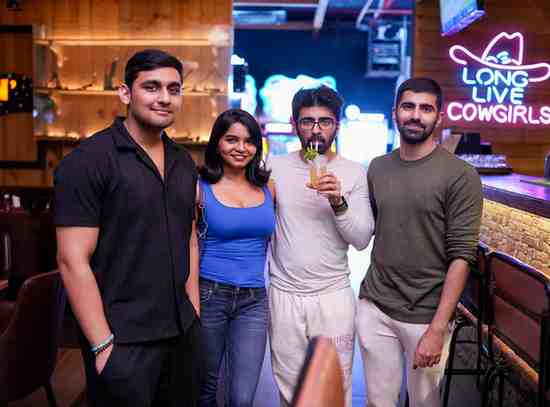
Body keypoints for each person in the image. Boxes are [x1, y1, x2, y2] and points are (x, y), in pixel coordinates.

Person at [54, 49, 202, 407]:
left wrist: (193, 314)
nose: (164, 98)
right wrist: (103, 345)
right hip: (122, 341)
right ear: (125, 93)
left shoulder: (184, 162)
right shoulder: (88, 162)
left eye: (173, 89)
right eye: (151, 87)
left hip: (181, 334)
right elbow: (72, 260)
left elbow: (189, 240)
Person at [356, 77, 483, 407]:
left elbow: (462, 256)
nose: (415, 115)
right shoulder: (378, 167)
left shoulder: (461, 175)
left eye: (426, 108)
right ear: (395, 112)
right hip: (375, 304)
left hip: (427, 313)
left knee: (425, 402)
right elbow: (372, 228)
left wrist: (438, 328)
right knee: (378, 402)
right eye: (408, 106)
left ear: (439, 117)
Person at [267, 85, 374, 407]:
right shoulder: (274, 166)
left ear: (337, 125)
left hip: (332, 296)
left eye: (325, 121)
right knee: (290, 390)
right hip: (284, 293)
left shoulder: (354, 172)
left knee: (334, 388)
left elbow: (361, 239)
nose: (316, 130)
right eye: (307, 121)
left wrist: (338, 202)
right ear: (294, 124)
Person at [197, 109, 275, 407]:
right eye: (231, 139)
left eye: (249, 141)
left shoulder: (268, 187)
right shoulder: (199, 187)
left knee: (242, 398)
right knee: (205, 389)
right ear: (217, 143)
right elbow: (188, 246)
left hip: (254, 300)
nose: (241, 148)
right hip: (209, 295)